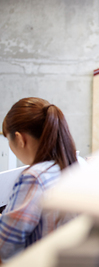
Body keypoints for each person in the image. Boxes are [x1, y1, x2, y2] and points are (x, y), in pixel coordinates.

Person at [0, 97, 78, 261]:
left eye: (8, 140)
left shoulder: (35, 177)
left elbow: (4, 246)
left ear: (20, 139)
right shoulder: (75, 164)